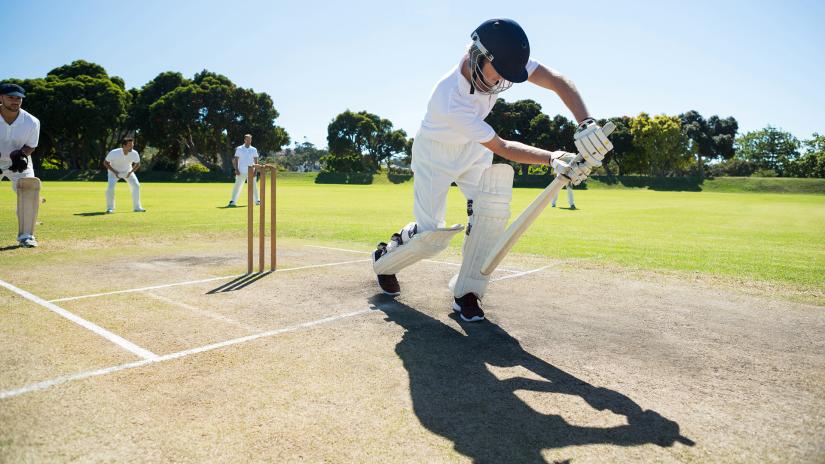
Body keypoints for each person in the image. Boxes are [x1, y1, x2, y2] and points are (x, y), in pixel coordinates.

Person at [371, 19, 612, 322]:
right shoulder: (451, 99)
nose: (501, 82)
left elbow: (557, 81)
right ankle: (385, 260)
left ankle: (467, 292)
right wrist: (552, 158)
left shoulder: (501, 57)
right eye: (498, 72)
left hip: (473, 151)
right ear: (478, 56)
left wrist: (586, 122)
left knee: (489, 215)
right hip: (435, 155)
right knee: (430, 237)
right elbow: (501, 147)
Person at [0, 83, 42, 248]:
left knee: (29, 187)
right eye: (11, 97)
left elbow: (31, 145)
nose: (15, 101)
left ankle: (27, 236)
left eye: (19, 98)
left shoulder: (32, 122)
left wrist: (21, 155)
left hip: (19, 161)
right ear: (1, 98)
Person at [103, 137, 145, 213]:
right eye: (129, 145)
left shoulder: (134, 153)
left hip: (127, 171)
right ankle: (110, 208)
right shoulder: (114, 152)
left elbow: (138, 164)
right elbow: (105, 162)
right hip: (113, 172)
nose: (132, 147)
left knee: (136, 185)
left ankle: (137, 207)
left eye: (132, 145)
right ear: (124, 146)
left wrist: (131, 172)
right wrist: (115, 172)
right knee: (110, 188)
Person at [227, 134, 259, 207]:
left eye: (250, 139)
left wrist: (255, 171)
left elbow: (256, 161)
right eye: (247, 139)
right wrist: (236, 169)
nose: (249, 141)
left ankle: (257, 200)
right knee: (237, 186)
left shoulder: (254, 149)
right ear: (244, 140)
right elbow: (236, 159)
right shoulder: (239, 148)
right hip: (241, 171)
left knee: (254, 186)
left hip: (251, 171)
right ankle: (233, 201)